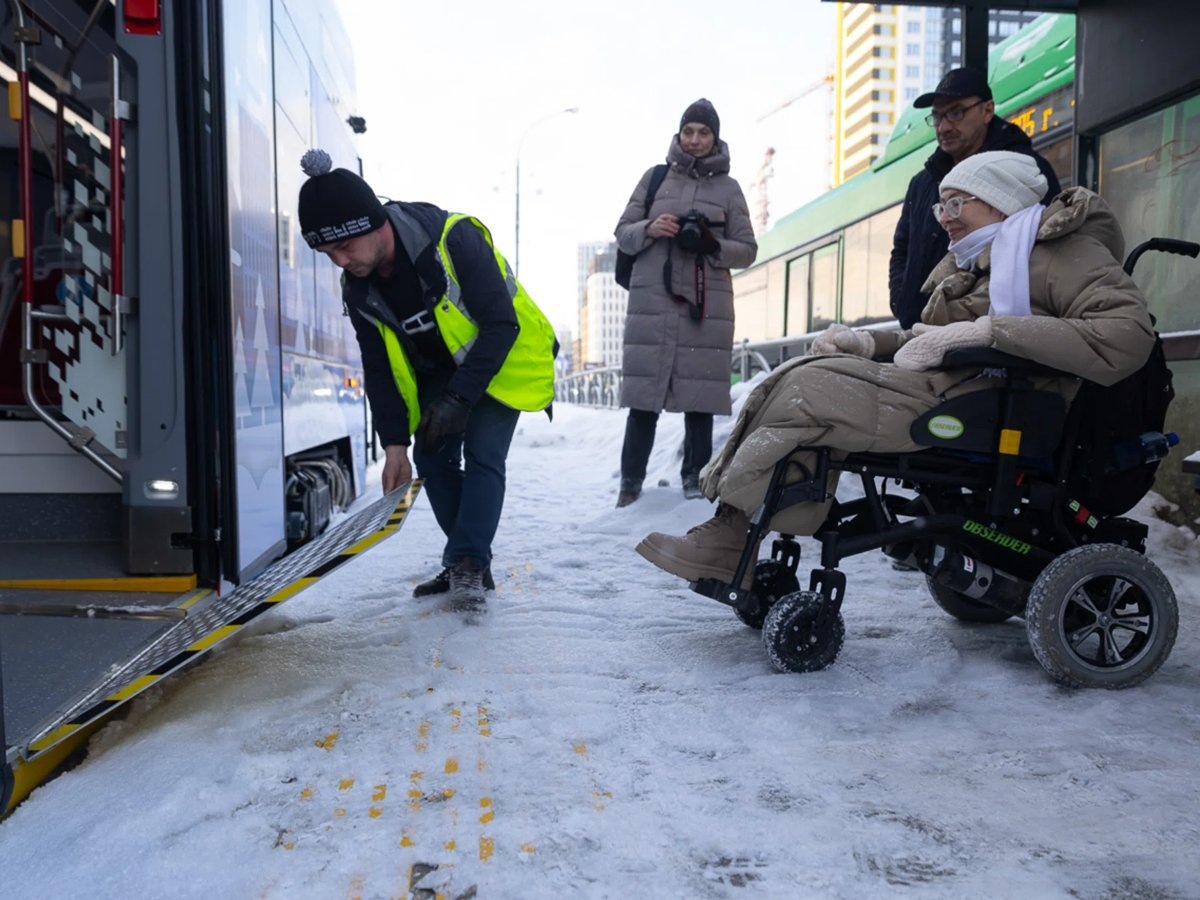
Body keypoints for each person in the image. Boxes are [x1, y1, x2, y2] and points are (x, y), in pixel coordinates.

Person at [636, 151, 1155, 589]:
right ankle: (735, 530)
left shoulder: (1063, 254)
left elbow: (1126, 336)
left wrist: (990, 332)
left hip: (1000, 407)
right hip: (955, 391)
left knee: (810, 392)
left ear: (1000, 201)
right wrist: (867, 342)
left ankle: (731, 537)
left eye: (957, 203)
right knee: (800, 375)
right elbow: (932, 338)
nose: (945, 218)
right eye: (942, 206)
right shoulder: (976, 261)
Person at [297, 149, 558, 603]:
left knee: (483, 453)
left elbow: (501, 324)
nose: (340, 261)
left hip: (502, 357)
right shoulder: (358, 288)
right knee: (432, 456)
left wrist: (458, 400)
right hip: (440, 368)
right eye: (328, 254)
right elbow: (378, 367)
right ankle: (467, 560)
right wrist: (394, 445)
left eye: (344, 247)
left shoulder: (454, 239)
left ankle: (467, 563)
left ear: (373, 224)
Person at [612, 98, 757, 508]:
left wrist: (713, 245)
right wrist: (650, 227)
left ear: (715, 138)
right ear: (679, 134)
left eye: (703, 132)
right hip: (653, 302)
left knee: (700, 401)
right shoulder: (654, 178)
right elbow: (622, 232)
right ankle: (630, 484)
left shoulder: (730, 189)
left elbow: (748, 250)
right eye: (688, 131)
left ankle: (695, 479)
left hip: (704, 305)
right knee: (643, 400)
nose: (694, 139)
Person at [890, 66, 1062, 330]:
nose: (944, 126)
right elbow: (902, 249)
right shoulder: (922, 183)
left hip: (987, 332)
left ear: (987, 110)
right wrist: (903, 301)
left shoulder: (1023, 171)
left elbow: (1050, 244)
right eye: (937, 116)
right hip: (920, 329)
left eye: (956, 113)